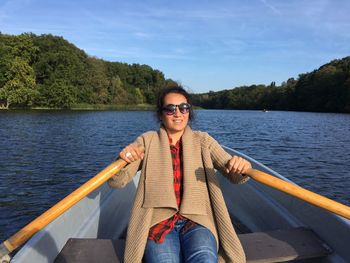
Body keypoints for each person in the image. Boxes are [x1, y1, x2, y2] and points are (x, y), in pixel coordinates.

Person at [108, 86, 252, 263]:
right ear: (161, 114)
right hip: (158, 222)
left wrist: (241, 166)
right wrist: (125, 158)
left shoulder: (204, 141)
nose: (178, 113)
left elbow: (234, 174)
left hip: (197, 220)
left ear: (189, 112)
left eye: (183, 108)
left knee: (205, 258)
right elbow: (118, 181)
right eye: (170, 108)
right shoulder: (147, 140)